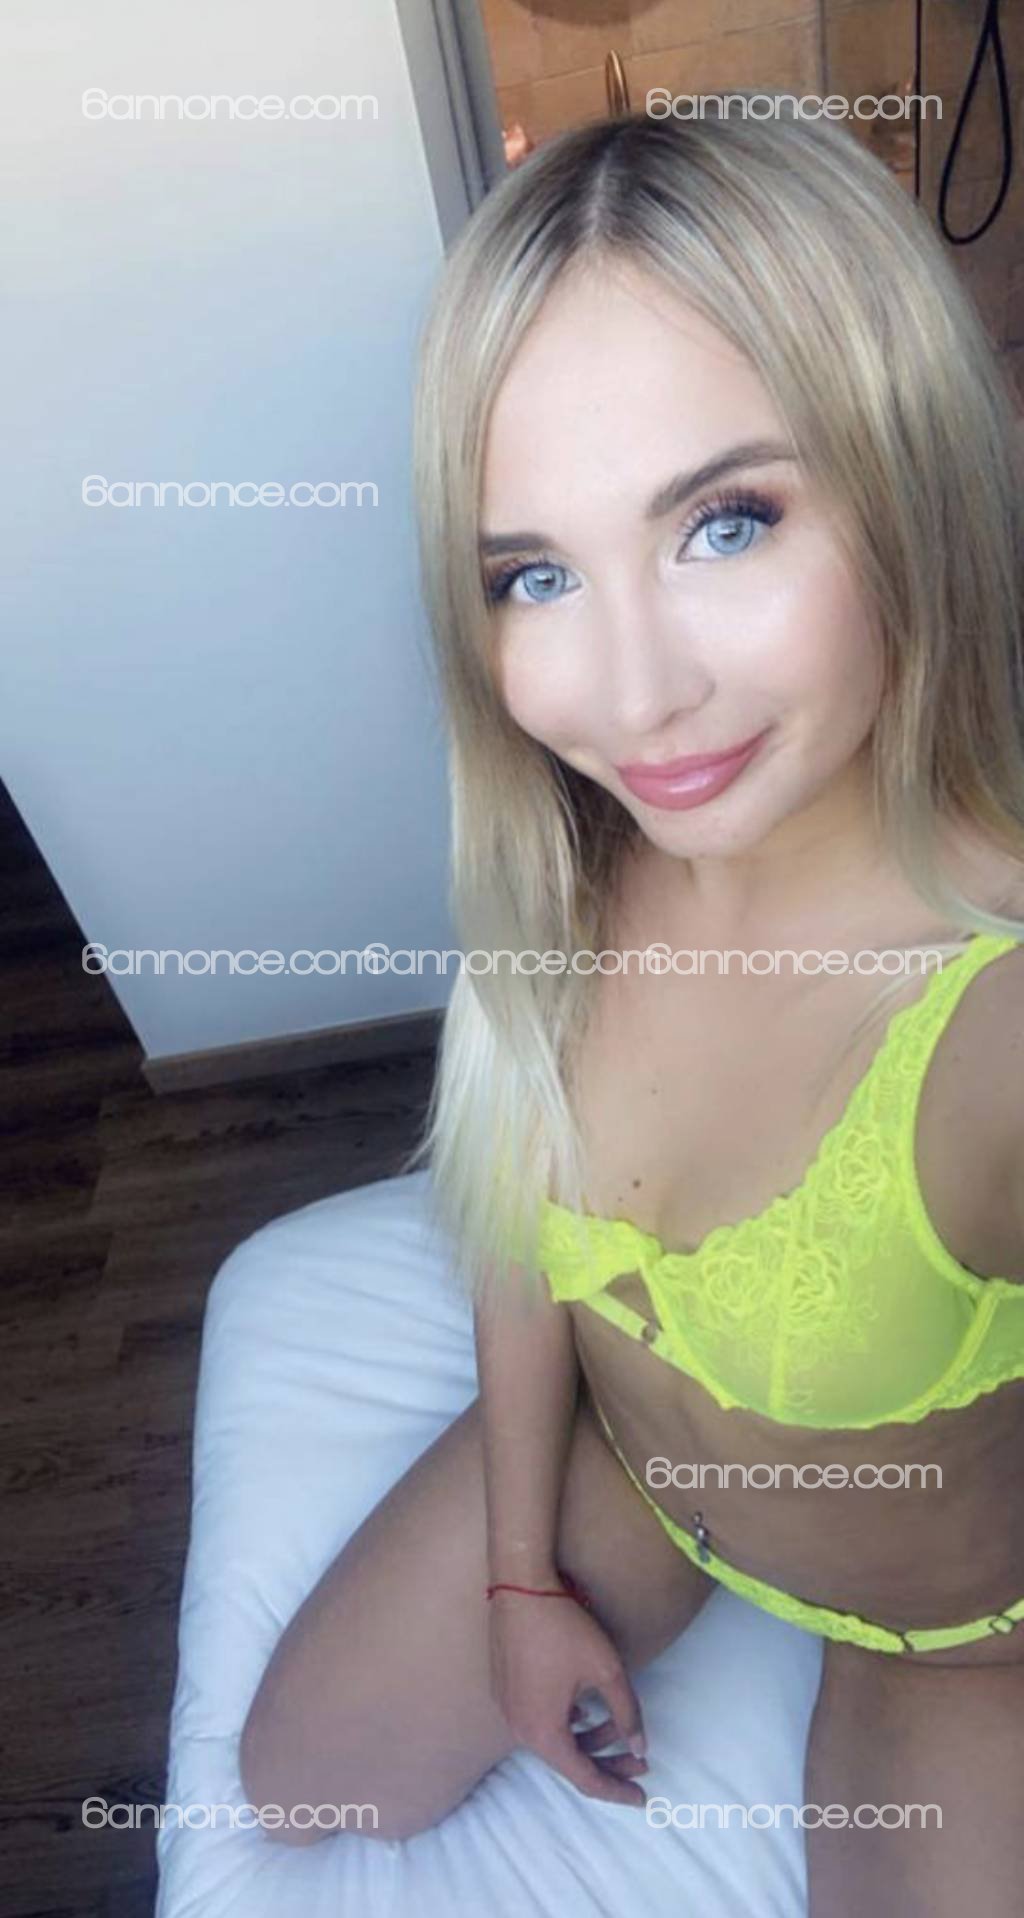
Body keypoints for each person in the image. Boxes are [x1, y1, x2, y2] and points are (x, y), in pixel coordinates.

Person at [240, 112, 1024, 1915]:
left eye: (726, 523)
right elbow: (529, 1238)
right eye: (536, 574)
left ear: (909, 480)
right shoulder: (573, 862)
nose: (632, 693)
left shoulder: (995, 1013)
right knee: (304, 1778)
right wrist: (523, 1567)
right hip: (649, 1493)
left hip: (944, 1629)